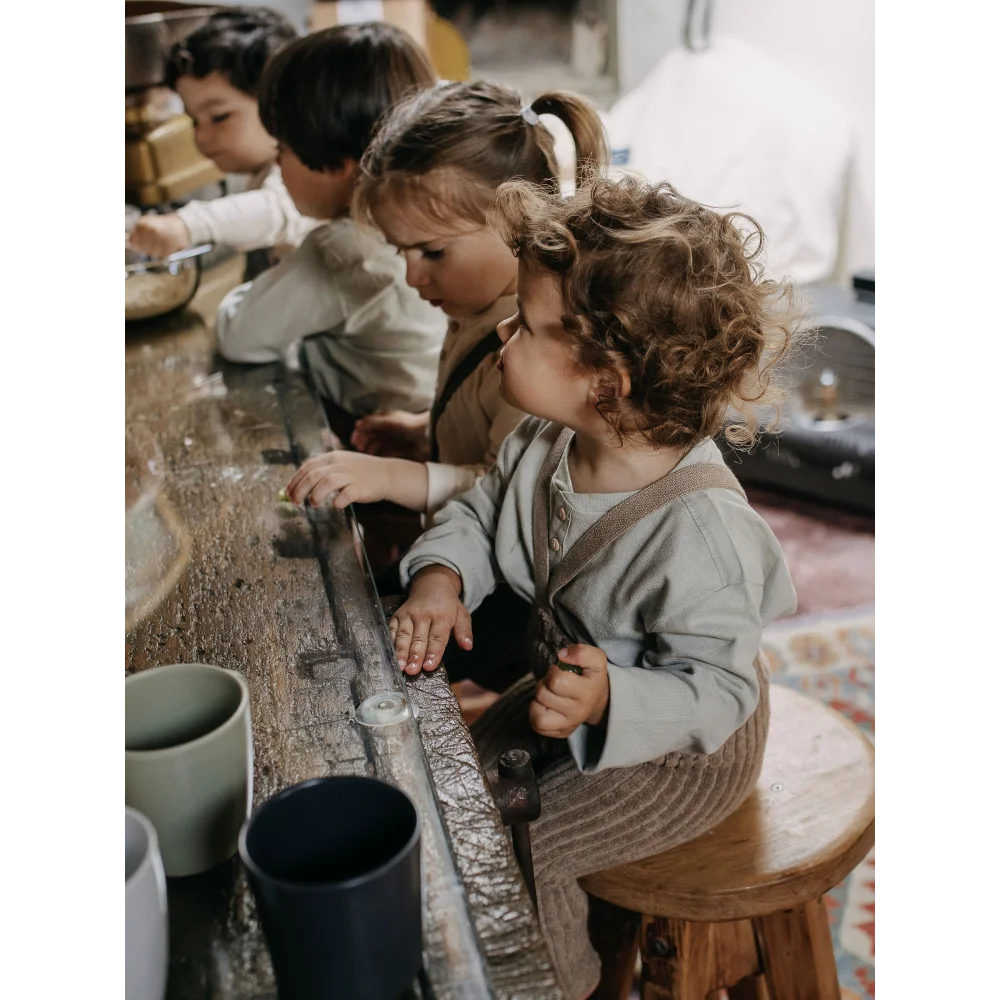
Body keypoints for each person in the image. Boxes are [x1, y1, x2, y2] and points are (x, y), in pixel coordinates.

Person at [385, 172, 805, 999]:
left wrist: (613, 696)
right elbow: (480, 512)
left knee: (519, 836)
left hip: (684, 754)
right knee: (453, 780)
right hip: (566, 694)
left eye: (529, 325)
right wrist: (440, 578)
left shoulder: (700, 533)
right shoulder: (545, 440)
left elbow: (716, 687)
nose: (503, 328)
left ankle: (555, 985)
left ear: (606, 378)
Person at [282, 79, 608, 690]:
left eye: (431, 252)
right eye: (400, 252)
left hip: (519, 596)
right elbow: (489, 433)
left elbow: (510, 490)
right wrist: (420, 433)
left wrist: (390, 478)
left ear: (518, 226)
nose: (410, 276)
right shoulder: (475, 307)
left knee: (350, 661)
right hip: (464, 553)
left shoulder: (539, 350)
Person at [212, 22, 448, 448]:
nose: (278, 162)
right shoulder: (436, 218)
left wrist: (258, 286)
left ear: (340, 165)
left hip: (382, 446)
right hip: (436, 417)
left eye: (283, 148)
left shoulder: (341, 249)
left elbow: (238, 336)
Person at [126, 7, 321, 278]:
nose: (201, 136)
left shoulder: (309, 167)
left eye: (219, 117)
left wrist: (187, 224)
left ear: (278, 105)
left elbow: (278, 210)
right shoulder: (261, 172)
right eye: (194, 120)